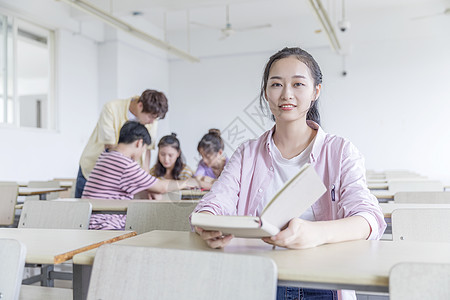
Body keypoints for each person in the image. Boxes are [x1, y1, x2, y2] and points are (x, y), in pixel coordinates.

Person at [192, 47, 386, 300]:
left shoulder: (340, 151)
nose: (286, 94)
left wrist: (317, 233)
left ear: (316, 91)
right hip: (257, 276)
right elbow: (214, 202)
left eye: (298, 84)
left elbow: (369, 218)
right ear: (265, 93)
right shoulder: (246, 153)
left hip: (323, 280)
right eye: (276, 84)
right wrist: (206, 224)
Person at [82, 121, 198, 230]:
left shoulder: (106, 156)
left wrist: (149, 190)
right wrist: (188, 183)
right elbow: (161, 187)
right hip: (105, 224)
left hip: (88, 220)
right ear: (139, 143)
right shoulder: (125, 164)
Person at [75, 89, 168, 198]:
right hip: (93, 171)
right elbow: (110, 147)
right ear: (140, 106)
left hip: (125, 177)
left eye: (155, 118)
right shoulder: (111, 108)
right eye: (151, 117)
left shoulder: (152, 118)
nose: (152, 121)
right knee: (85, 211)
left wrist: (146, 182)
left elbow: (146, 150)